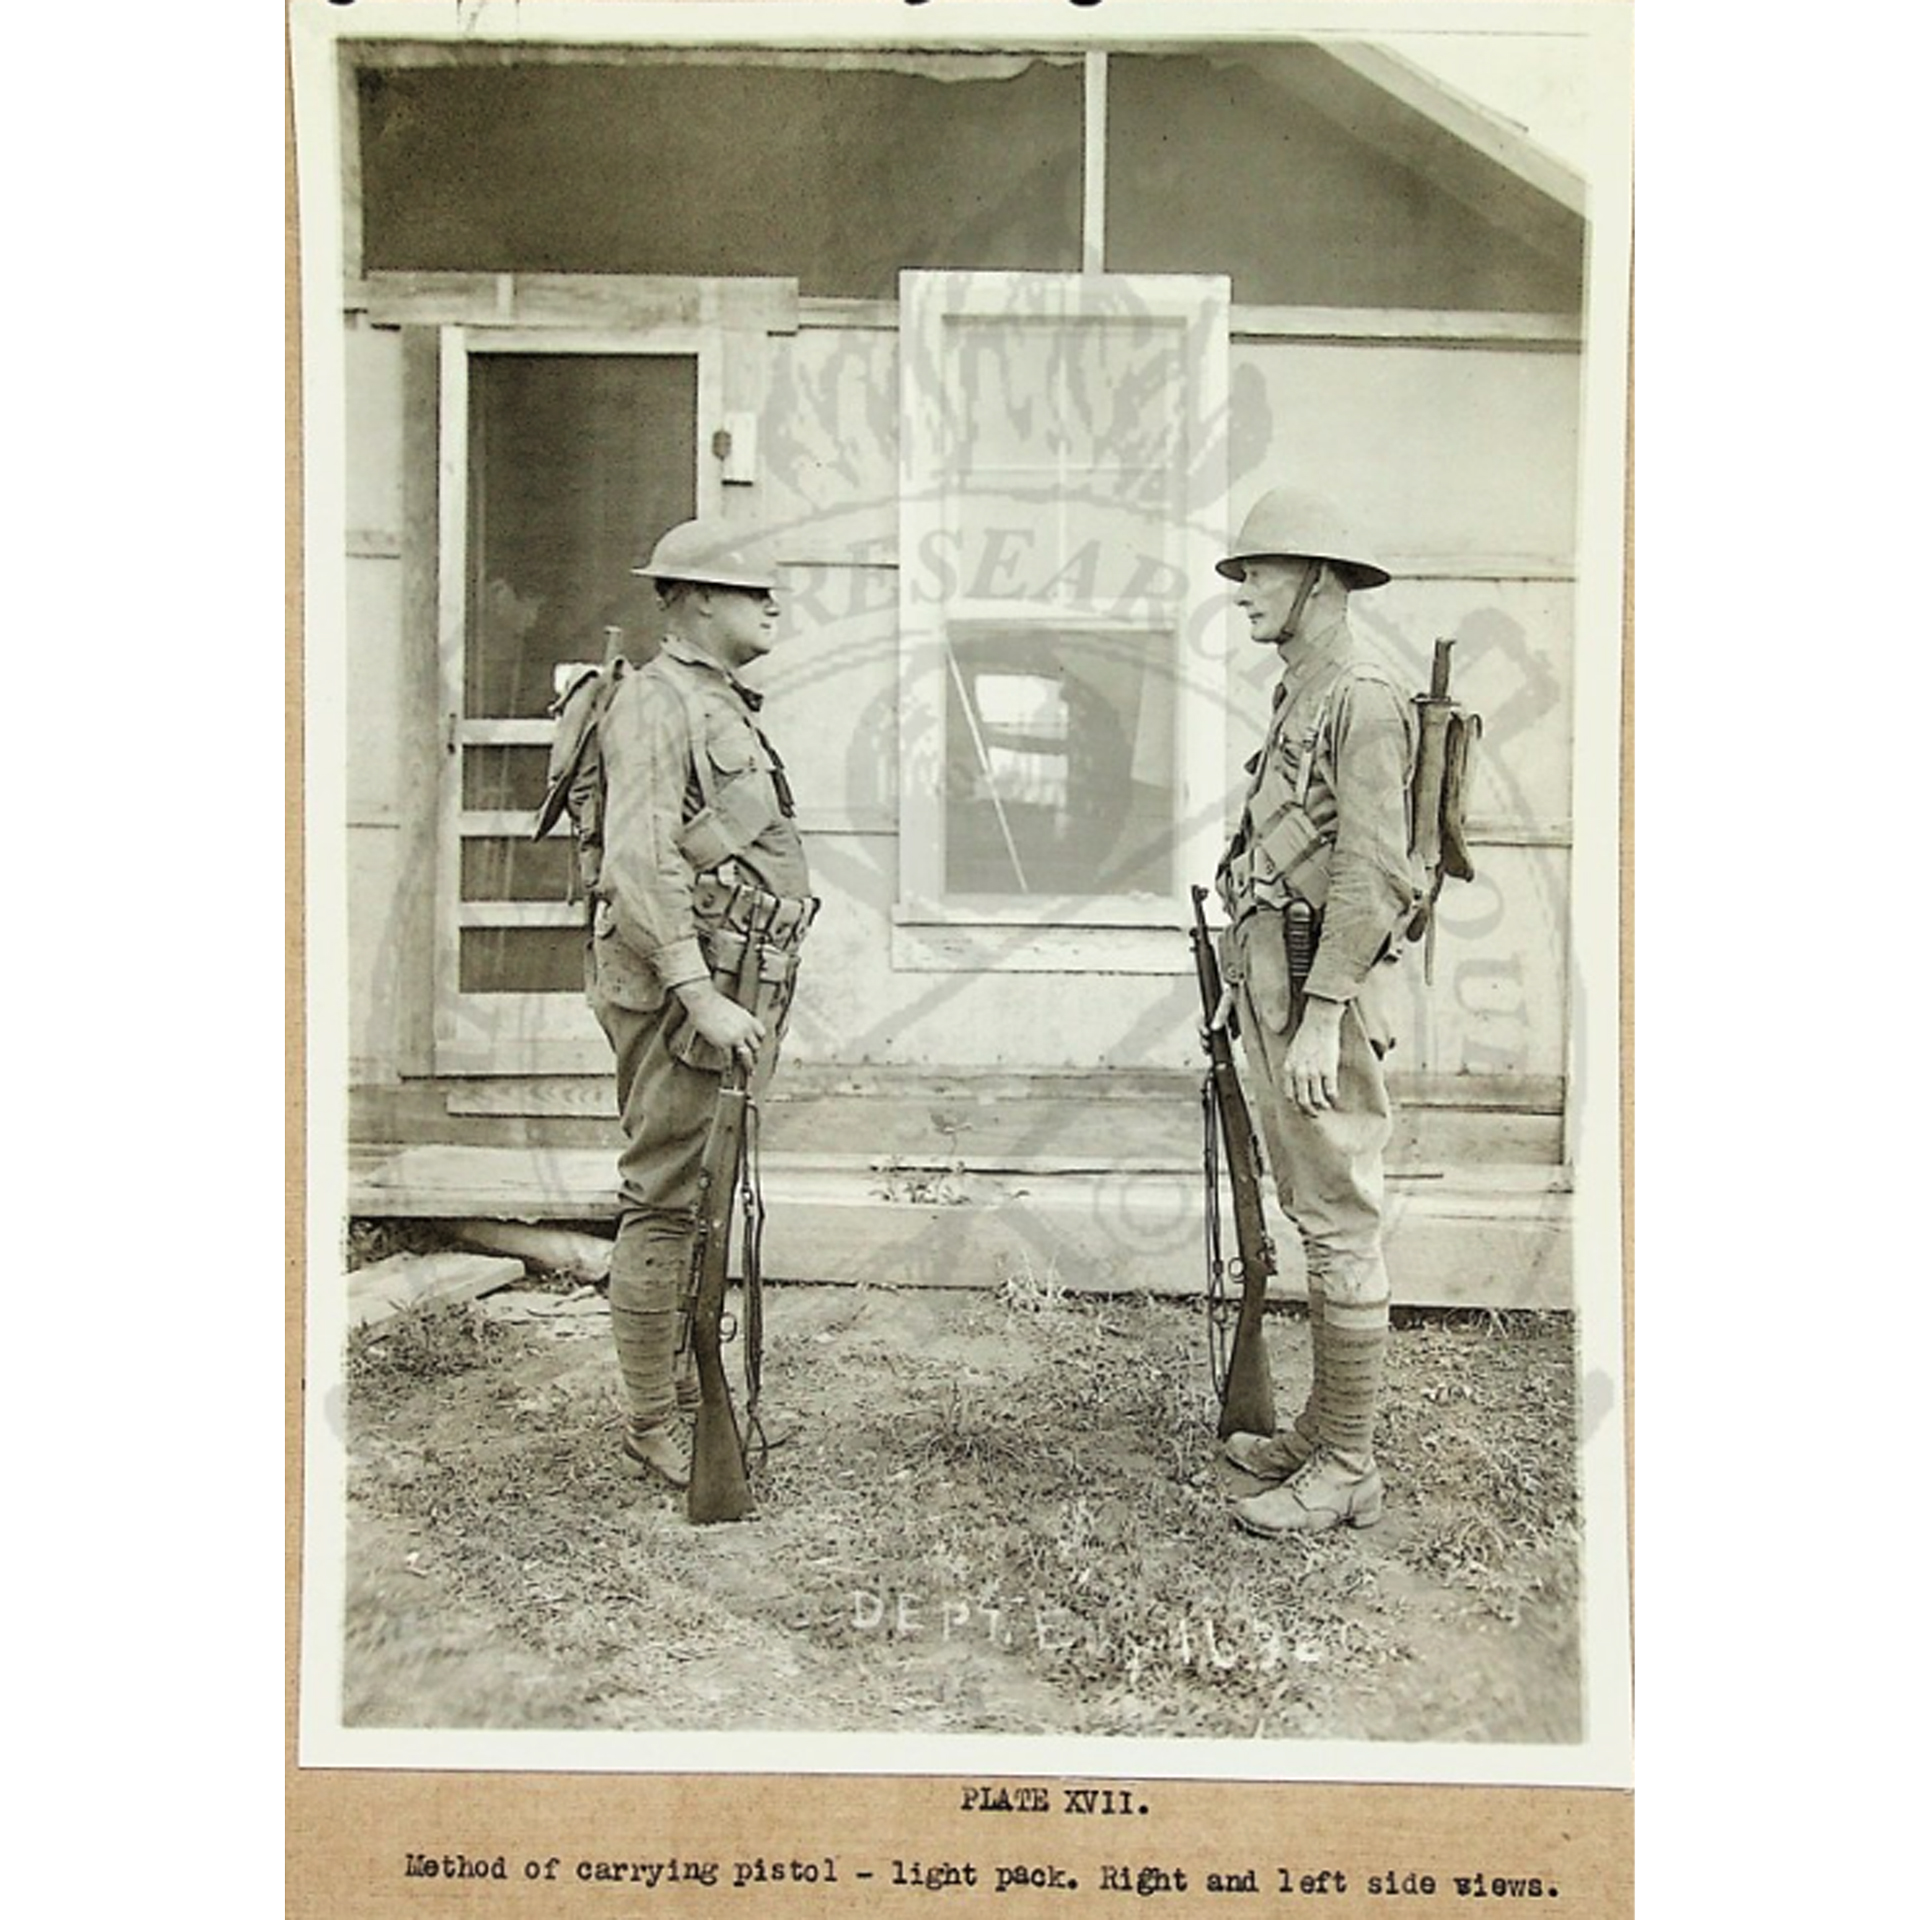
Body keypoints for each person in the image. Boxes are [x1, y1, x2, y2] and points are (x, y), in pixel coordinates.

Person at [587, 518, 816, 1491]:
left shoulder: (719, 700)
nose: (772, 605)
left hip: (729, 980)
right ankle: (652, 1419)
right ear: (695, 600)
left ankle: (685, 1389)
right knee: (665, 1197)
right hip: (684, 993)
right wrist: (696, 991)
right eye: (751, 590)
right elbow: (638, 866)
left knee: (699, 1198)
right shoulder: (656, 703)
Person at [1211, 487, 1419, 1535]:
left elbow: (1372, 873)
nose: (1244, 588)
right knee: (1315, 1208)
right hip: (1277, 982)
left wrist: (1327, 1010)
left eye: (1262, 570)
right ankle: (1322, 1429)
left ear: (1322, 579)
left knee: (1339, 1215)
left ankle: (1348, 1465)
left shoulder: (1365, 696)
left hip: (1314, 991)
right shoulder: (1308, 685)